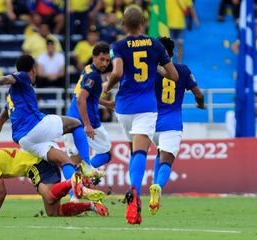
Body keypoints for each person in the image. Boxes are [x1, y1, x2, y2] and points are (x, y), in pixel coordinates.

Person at [103, 6, 179, 225]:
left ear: (123, 25)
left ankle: (133, 191)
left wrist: (107, 87)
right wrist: (155, 68)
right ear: (144, 22)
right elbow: (172, 75)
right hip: (146, 106)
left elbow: (117, 72)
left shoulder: (117, 46)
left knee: (132, 148)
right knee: (140, 151)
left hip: (124, 107)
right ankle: (134, 191)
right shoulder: (155, 45)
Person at [0, 55, 99, 196]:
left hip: (24, 141)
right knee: (76, 124)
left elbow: (0, 120)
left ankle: (75, 194)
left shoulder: (12, 96)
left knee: (64, 159)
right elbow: (9, 78)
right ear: (33, 69)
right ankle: (87, 166)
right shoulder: (23, 77)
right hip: (35, 127)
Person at [0, 147, 108, 217]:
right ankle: (93, 205)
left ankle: (71, 182)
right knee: (53, 212)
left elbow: (1, 192)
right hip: (41, 164)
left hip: (35, 165)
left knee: (48, 196)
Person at [149, 36, 206, 215]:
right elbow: (199, 94)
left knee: (159, 151)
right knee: (167, 159)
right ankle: (157, 186)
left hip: (151, 123)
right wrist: (201, 104)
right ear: (172, 54)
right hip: (171, 123)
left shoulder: (151, 71)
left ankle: (154, 188)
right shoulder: (183, 70)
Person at [65, 42, 114, 179]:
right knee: (106, 153)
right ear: (94, 58)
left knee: (75, 163)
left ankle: (75, 194)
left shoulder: (88, 70)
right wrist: (87, 124)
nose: (104, 63)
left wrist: (107, 104)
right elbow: (81, 99)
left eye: (107, 60)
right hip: (83, 121)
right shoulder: (94, 76)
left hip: (71, 119)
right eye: (102, 59)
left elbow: (88, 96)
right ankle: (87, 173)